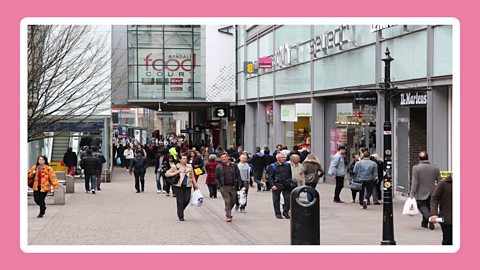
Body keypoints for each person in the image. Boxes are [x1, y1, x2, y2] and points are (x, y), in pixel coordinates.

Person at [409, 151, 440, 230]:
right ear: (428, 158)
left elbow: (415, 182)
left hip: (421, 192)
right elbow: (439, 181)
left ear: (419, 158)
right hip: (433, 192)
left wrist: (412, 193)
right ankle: (424, 223)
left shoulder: (416, 168)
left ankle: (429, 218)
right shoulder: (435, 168)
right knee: (429, 207)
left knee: (421, 205)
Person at [165, 154, 197, 221]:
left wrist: (195, 185)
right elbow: (166, 174)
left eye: (186, 158)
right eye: (183, 159)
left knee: (187, 200)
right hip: (178, 186)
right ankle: (181, 215)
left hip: (188, 185)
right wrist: (175, 172)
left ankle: (181, 209)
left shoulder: (189, 166)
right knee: (180, 201)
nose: (185, 160)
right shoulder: (175, 167)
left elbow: (193, 176)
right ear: (180, 159)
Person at [215, 152, 242, 222]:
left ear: (228, 157)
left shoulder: (234, 165)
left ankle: (227, 209)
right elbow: (216, 178)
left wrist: (240, 184)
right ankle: (228, 216)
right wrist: (219, 186)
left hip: (233, 186)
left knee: (233, 201)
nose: (223, 158)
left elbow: (238, 175)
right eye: (222, 157)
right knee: (228, 201)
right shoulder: (218, 167)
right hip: (224, 187)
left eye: (224, 157)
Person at [266, 153, 292, 219]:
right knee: (276, 200)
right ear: (278, 159)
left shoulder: (288, 165)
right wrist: (272, 185)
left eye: (284, 157)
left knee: (288, 199)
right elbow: (270, 177)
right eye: (282, 157)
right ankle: (278, 213)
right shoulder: (272, 166)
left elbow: (290, 174)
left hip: (286, 184)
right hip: (277, 185)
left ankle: (286, 212)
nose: (284, 158)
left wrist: (290, 182)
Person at [430, 174, 452, 245]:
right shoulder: (444, 183)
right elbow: (434, 199)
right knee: (448, 241)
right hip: (448, 219)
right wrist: (434, 214)